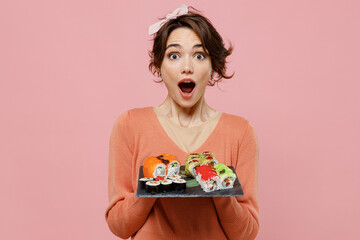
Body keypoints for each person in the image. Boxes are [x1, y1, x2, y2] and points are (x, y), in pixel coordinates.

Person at [105, 5, 259, 240]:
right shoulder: (129, 125)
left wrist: (218, 186)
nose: (187, 67)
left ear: (214, 67)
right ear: (158, 66)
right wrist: (152, 186)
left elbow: (245, 234)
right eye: (174, 55)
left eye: (199, 55)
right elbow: (119, 226)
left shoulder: (240, 132)